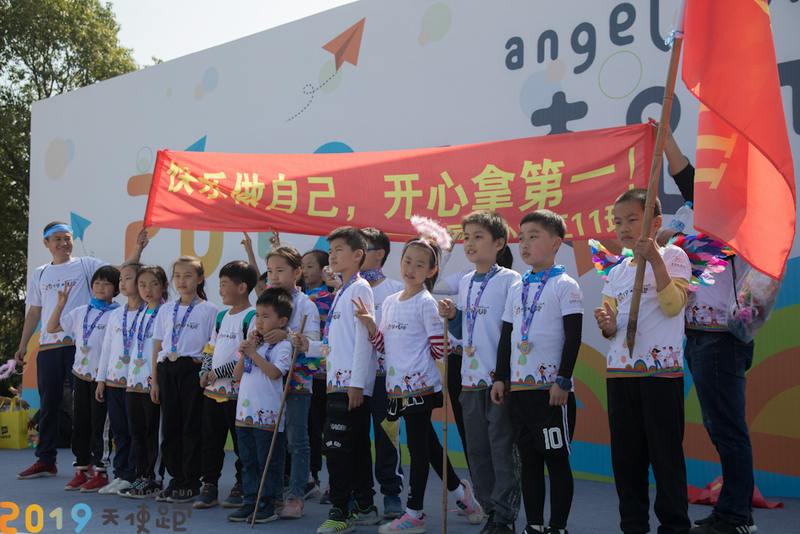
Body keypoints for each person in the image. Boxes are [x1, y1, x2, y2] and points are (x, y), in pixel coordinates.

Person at [655, 120, 758, 534]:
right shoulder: (691, 214)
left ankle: (736, 517)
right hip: (695, 334)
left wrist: (671, 238)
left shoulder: (731, 217)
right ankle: (736, 511)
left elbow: (686, 179)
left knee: (727, 428)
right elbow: (683, 179)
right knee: (720, 427)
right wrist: (664, 138)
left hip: (721, 336)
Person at [354, 224, 484, 534]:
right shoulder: (389, 301)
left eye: (420, 264)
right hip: (396, 388)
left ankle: (414, 514)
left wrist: (442, 328)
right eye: (408, 261)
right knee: (429, 444)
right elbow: (384, 347)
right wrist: (371, 326)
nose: (411, 269)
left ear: (431, 271)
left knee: (418, 449)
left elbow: (440, 350)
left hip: (421, 387)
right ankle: (461, 494)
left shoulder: (427, 303)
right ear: (400, 261)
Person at [594, 188, 692, 534]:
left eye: (633, 219)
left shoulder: (674, 256)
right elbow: (611, 327)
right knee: (626, 459)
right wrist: (607, 325)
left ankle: (674, 526)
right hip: (620, 374)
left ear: (656, 222)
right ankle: (633, 525)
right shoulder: (616, 272)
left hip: (661, 374)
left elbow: (673, 306)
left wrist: (655, 260)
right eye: (618, 221)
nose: (623, 228)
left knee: (666, 456)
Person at [16, 222, 147, 479]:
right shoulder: (40, 273)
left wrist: (137, 250)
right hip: (49, 345)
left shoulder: (86, 265)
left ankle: (90, 463)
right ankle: (46, 459)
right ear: (46, 243)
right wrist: (23, 345)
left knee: (87, 410)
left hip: (79, 348)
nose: (63, 243)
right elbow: (34, 312)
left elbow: (120, 271)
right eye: (57, 239)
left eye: (67, 238)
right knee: (48, 404)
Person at [491, 210, 583, 534]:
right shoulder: (517, 287)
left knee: (555, 460)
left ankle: (557, 527)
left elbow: (574, 337)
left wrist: (563, 380)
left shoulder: (565, 285)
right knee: (529, 463)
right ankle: (533, 525)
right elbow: (507, 336)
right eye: (522, 237)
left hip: (551, 394)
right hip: (519, 392)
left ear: (556, 243)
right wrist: (500, 377)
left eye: (534, 236)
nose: (525, 244)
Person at [438, 211, 521, 534]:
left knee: (502, 449)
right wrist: (453, 316)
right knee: (477, 451)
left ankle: (504, 516)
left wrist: (504, 376)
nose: (470, 243)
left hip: (498, 381)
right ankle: (489, 511)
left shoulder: (511, 280)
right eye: (467, 237)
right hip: (469, 380)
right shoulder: (465, 282)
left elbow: (513, 331)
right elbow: (465, 331)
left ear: (499, 243)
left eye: (478, 237)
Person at [293, 226, 379, 534]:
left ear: (358, 255)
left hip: (350, 385)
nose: (332, 256)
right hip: (337, 382)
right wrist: (310, 346)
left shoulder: (360, 289)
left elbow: (363, 340)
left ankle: (341, 511)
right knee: (354, 447)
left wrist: (357, 383)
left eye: (338, 250)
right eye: (330, 251)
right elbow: (337, 343)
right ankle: (365, 506)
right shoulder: (342, 290)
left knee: (335, 447)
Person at [46, 265, 121, 491]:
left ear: (116, 289)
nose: (101, 287)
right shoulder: (81, 311)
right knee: (80, 424)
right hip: (80, 375)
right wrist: (60, 304)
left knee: (100, 426)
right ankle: (81, 468)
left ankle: (101, 471)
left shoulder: (118, 314)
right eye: (97, 283)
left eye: (106, 284)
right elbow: (52, 327)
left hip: (103, 378)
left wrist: (104, 379)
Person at [151, 256, 217, 503]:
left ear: (200, 279)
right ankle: (176, 478)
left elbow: (212, 345)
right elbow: (158, 346)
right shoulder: (165, 309)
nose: (182, 280)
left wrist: (206, 371)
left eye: (188, 275)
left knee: (192, 425)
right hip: (167, 369)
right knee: (170, 427)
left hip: (193, 369)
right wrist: (154, 381)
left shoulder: (209, 309)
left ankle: (191, 481)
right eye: (177, 276)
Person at [195, 261, 259, 510]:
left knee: (242, 443)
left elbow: (245, 356)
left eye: (224, 285)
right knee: (210, 440)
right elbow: (210, 347)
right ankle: (209, 485)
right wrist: (204, 370)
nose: (220, 290)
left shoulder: (252, 317)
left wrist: (216, 373)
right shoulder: (221, 317)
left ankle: (242, 485)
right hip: (213, 393)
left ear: (242, 287)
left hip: (238, 394)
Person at [226, 288, 294, 524]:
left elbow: (275, 373)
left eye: (266, 316)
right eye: (257, 315)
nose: (260, 321)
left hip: (268, 416)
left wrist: (254, 354)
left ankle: (268, 503)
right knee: (248, 461)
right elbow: (236, 375)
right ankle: (250, 501)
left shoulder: (283, 345)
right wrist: (245, 352)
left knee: (269, 461)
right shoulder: (254, 343)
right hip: (245, 414)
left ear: (282, 321)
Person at [264, 246, 321, 519]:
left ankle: (297, 495)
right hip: (268, 382)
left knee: (297, 441)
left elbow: (315, 344)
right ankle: (273, 494)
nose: (274, 276)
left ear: (297, 272)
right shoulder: (266, 300)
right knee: (272, 440)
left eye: (280, 270)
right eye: (270, 271)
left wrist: (287, 336)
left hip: (296, 382)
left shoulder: (307, 304)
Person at [360, 227, 405, 519]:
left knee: (387, 439)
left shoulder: (397, 290)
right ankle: (361, 496)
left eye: (362, 248)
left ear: (380, 254)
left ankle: (391, 494)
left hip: (385, 380)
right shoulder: (346, 289)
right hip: (352, 379)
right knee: (355, 440)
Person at [96, 262, 146, 495]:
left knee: (135, 430)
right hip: (114, 381)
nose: (122, 283)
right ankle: (120, 474)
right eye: (121, 279)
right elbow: (106, 349)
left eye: (128, 278)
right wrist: (101, 380)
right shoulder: (116, 314)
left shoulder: (150, 313)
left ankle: (133, 474)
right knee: (119, 431)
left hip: (137, 383)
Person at [120, 265, 168, 499]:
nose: (147, 290)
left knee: (153, 432)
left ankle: (154, 478)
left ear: (164, 286)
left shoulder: (166, 312)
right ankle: (141, 475)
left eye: (153, 284)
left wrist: (156, 381)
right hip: (134, 382)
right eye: (142, 285)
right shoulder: (139, 313)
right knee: (137, 431)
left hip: (153, 382)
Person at [302, 249, 335, 498]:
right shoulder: (299, 298)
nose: (304, 271)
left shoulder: (331, 298)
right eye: (301, 266)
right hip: (306, 376)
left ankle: (336, 480)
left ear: (325, 271)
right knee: (310, 429)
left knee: (331, 430)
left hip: (328, 375)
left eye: (309, 266)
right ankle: (311, 478)